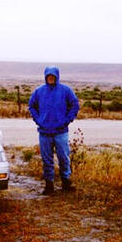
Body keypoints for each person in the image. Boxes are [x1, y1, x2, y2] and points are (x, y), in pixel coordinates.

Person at [28, 66, 80, 195]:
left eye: (53, 76)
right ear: (45, 77)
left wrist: (67, 119)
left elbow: (75, 105)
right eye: (48, 76)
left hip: (61, 131)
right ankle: (49, 184)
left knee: (63, 157)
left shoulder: (65, 90)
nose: (51, 78)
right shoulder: (39, 91)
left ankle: (66, 181)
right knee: (47, 159)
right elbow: (32, 106)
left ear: (57, 76)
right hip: (44, 132)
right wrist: (38, 120)